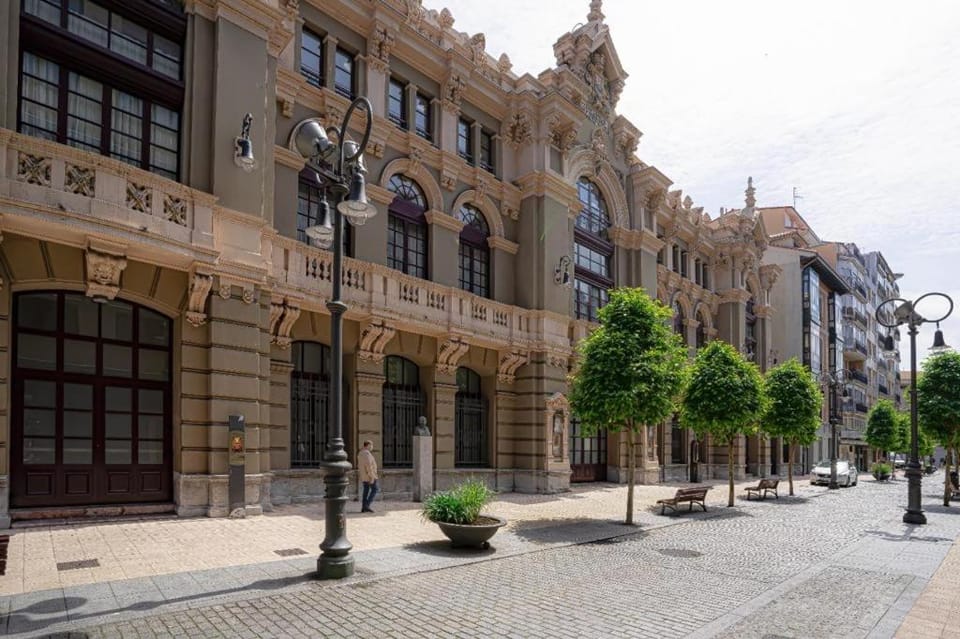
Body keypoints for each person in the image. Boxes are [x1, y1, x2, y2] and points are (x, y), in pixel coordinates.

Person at [358, 440, 379, 513]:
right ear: (368, 445)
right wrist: (372, 477)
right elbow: (369, 466)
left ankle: (364, 507)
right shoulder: (366, 454)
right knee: (375, 489)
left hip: (364, 476)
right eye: (371, 445)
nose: (372, 447)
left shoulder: (360, 453)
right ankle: (367, 505)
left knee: (366, 491)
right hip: (369, 476)